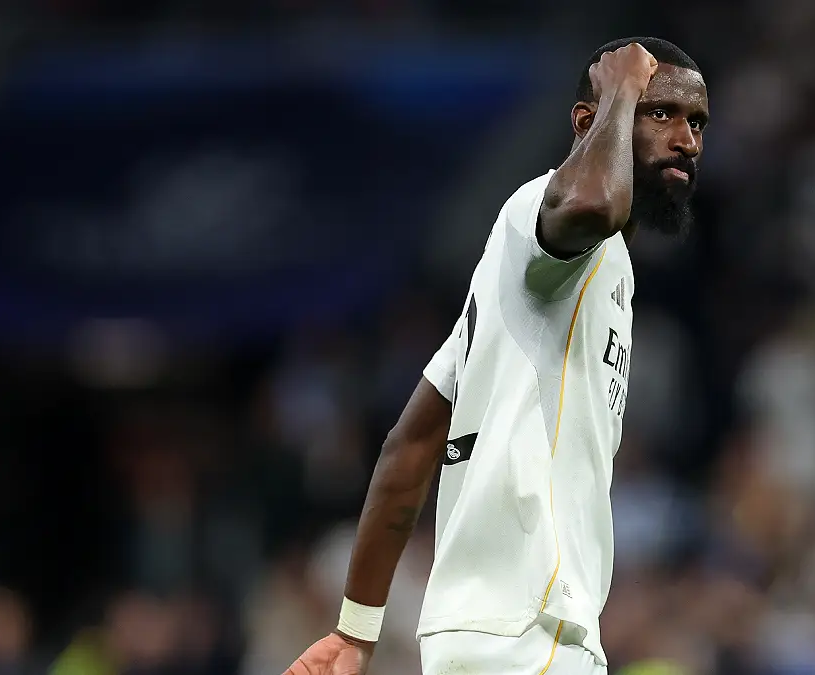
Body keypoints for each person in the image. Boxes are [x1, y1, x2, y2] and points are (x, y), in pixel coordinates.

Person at [284, 36, 708, 675]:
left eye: (697, 122)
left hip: (493, 636)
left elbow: (411, 445)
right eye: (662, 113)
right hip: (529, 632)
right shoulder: (550, 217)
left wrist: (355, 631)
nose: (687, 140)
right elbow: (594, 202)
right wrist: (620, 89)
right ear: (585, 122)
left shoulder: (519, 284)